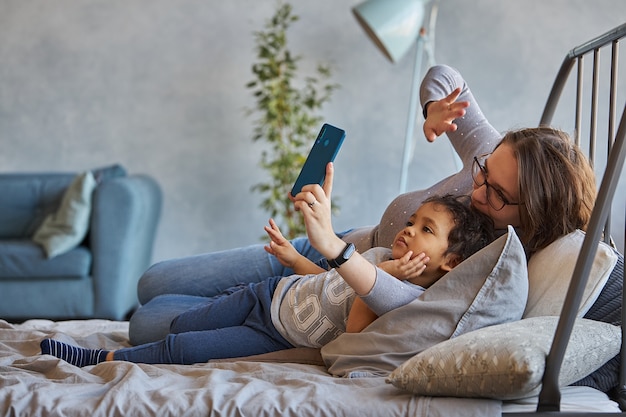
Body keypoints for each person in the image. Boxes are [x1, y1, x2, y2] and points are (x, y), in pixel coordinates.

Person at [127, 64, 597, 346]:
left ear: (530, 217)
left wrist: (333, 252)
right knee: (153, 281)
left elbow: (397, 303)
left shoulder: (494, 261)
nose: (478, 190)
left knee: (148, 323)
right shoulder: (495, 152)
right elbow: (443, 75)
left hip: (333, 280)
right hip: (321, 250)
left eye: (497, 195)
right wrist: (435, 109)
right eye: (484, 169)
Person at [40, 193, 494, 366]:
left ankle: (102, 358)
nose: (409, 230)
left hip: (272, 329)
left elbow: (354, 332)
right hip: (270, 292)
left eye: (425, 230)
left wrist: (380, 276)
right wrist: (296, 259)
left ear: (450, 262)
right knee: (179, 324)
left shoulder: (407, 296)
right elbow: (329, 280)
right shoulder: (374, 254)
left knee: (183, 346)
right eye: (413, 221)